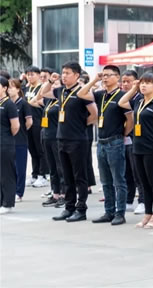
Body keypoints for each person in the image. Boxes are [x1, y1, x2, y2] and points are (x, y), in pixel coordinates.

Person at [41, 61, 98, 222]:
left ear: (77, 75)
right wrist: (51, 81)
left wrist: (80, 125)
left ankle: (81, 209)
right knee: (66, 176)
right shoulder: (60, 91)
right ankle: (69, 207)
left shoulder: (82, 92)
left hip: (78, 139)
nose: (64, 76)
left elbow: (94, 114)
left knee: (79, 176)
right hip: (61, 138)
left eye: (68, 73)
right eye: (63, 73)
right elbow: (43, 94)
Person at [78, 66, 134, 226]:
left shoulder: (122, 96)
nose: (105, 78)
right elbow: (81, 94)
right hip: (101, 142)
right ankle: (108, 211)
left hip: (115, 140)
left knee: (118, 179)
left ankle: (120, 212)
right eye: (104, 75)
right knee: (105, 180)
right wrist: (94, 80)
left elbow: (130, 120)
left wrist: (123, 134)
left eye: (109, 75)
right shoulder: (100, 95)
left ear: (117, 78)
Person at [118, 72, 153, 229]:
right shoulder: (138, 101)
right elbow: (122, 102)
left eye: (148, 83)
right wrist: (134, 88)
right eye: (141, 82)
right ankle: (147, 214)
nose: (143, 85)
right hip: (138, 147)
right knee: (144, 183)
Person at [32, 75, 65, 208]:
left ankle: (64, 194)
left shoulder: (62, 100)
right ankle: (55, 193)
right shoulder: (48, 101)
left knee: (60, 167)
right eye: (53, 85)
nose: (54, 87)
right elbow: (36, 98)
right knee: (52, 168)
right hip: (46, 136)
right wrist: (49, 82)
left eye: (57, 85)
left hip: (57, 137)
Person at [121, 70, 145, 214]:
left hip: (136, 139)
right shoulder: (122, 96)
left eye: (128, 81)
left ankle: (142, 201)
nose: (125, 84)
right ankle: (128, 200)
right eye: (123, 81)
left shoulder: (139, 97)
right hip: (123, 139)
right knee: (127, 172)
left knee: (138, 173)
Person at [23, 66, 48, 188]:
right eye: (28, 74)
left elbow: (41, 103)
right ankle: (34, 174)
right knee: (32, 149)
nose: (30, 76)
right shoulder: (27, 88)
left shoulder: (41, 88)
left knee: (40, 148)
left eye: (32, 74)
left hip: (38, 120)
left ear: (38, 75)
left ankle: (42, 175)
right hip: (27, 121)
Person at [8, 79, 32, 202]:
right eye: (8, 87)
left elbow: (29, 122)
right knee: (9, 168)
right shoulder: (6, 103)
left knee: (20, 168)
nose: (9, 90)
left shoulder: (23, 103)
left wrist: (21, 131)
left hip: (20, 140)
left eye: (12, 87)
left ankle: (19, 192)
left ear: (18, 89)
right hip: (8, 141)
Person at [0, 77, 20, 214]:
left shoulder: (9, 104)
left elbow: (15, 126)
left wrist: (6, 137)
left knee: (7, 173)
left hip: (5, 143)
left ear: (4, 88)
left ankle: (8, 203)